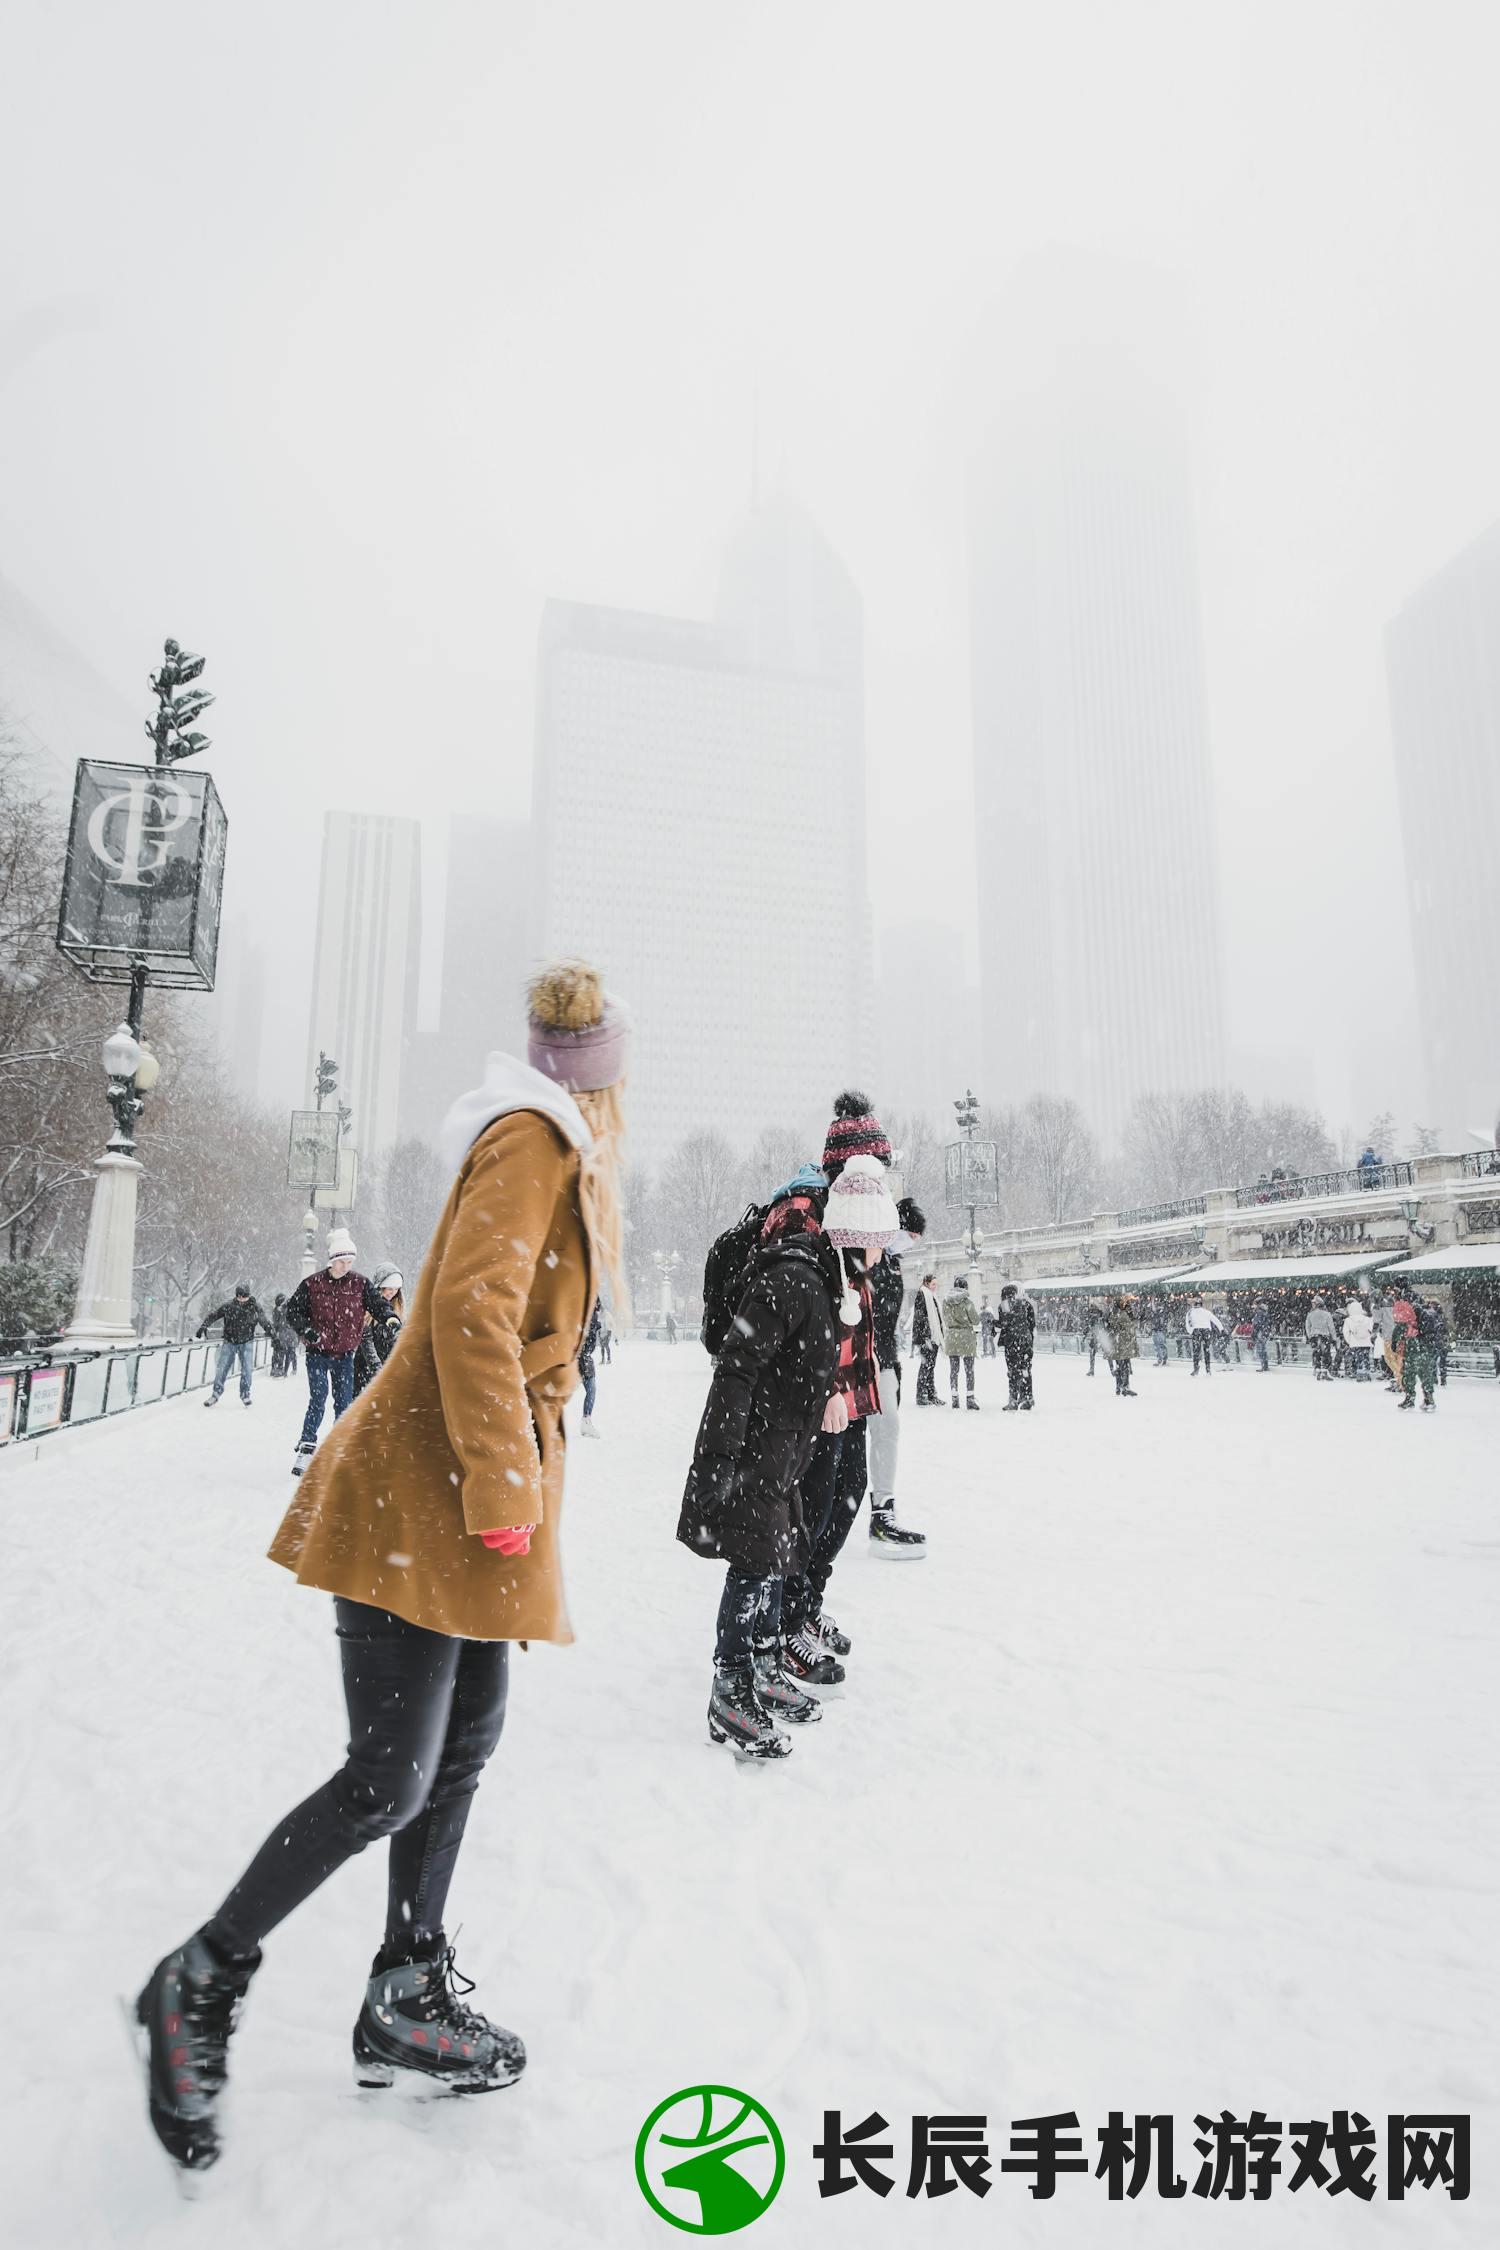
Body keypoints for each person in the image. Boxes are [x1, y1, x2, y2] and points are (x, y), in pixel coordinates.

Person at [131, 960, 630, 2175]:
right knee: (388, 1779)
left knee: (460, 1750)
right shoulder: (535, 1138)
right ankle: (196, 1981)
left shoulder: (554, 1142)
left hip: (457, 1499)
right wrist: (510, 1480)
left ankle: (406, 1988)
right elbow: (468, 1309)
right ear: (600, 1077)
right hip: (428, 1490)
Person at [677, 1180, 842, 1758]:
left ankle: (765, 1665)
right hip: (757, 1447)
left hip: (783, 1448)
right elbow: (737, 1368)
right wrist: (721, 1456)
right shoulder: (790, 1277)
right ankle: (730, 1687)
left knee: (776, 1557)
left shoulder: (815, 1278)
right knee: (754, 1564)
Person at [780, 1094, 901, 1684]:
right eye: (872, 1162)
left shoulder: (863, 1209)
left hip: (852, 1382)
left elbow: (865, 1294)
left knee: (848, 1493)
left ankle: (809, 1602)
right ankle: (787, 1620)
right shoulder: (806, 1212)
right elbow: (797, 1307)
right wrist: (825, 1383)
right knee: (812, 1505)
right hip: (815, 1389)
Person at [284, 1232, 392, 1473]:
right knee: (318, 1399)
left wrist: (390, 1318)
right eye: (342, 1261)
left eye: (350, 1261)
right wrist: (307, 1330)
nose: (346, 1266)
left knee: (343, 1404)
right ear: (332, 1260)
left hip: (345, 1356)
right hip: (318, 1355)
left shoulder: (360, 1284)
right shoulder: (312, 1284)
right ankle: (306, 1447)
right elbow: (292, 1311)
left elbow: (378, 1305)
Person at [866, 1194, 928, 1554]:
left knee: (888, 1428)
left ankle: (883, 1508)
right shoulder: (871, 1259)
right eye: (910, 1234)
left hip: (883, 1357)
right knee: (879, 1429)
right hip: (866, 1358)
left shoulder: (891, 1261)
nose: (912, 1242)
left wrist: (892, 1363)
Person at [197, 1283, 274, 1407]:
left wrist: (272, 1333)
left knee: (247, 1370)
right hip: (229, 1342)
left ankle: (245, 1394)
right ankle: (215, 1394)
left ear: (248, 1296)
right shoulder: (229, 1306)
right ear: (236, 1296)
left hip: (246, 1342)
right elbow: (214, 1315)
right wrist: (204, 1325)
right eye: (239, 1297)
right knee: (222, 1369)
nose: (242, 1300)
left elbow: (264, 1321)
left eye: (244, 1297)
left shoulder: (255, 1307)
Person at [353, 1266, 405, 1397]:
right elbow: (366, 1341)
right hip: (365, 1367)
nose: (392, 1293)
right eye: (389, 1289)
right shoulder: (369, 1308)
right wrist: (376, 1367)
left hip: (387, 1369)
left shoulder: (397, 1311)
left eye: (395, 1289)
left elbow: (399, 1341)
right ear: (380, 1287)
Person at [1399, 1297, 1446, 1411]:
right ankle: (1428, 1399)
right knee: (1425, 1375)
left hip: (1414, 1349)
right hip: (1424, 1350)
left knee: (1410, 1375)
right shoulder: (1432, 1317)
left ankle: (1410, 1399)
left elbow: (1401, 1331)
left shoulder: (1416, 1318)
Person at [942, 1273, 981, 1409]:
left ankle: (954, 1398)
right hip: (966, 1337)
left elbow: (945, 1319)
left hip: (952, 1337)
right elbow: (976, 1320)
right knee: (969, 1370)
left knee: (954, 1370)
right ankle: (970, 1399)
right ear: (965, 1287)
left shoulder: (945, 1302)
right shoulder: (967, 1302)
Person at [996, 1281, 1036, 1410]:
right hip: (1026, 1341)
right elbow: (1032, 1324)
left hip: (1012, 1342)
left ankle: (1013, 1399)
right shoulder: (1026, 1304)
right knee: (1025, 1370)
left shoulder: (1004, 1305)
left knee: (1013, 1371)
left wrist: (993, 1323)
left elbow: (1004, 1323)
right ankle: (1027, 1398)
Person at [912, 1271, 942, 1405]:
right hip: (926, 1338)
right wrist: (925, 1337)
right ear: (926, 1283)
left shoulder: (932, 1296)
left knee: (930, 1366)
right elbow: (920, 1318)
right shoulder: (922, 1294)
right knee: (926, 1365)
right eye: (933, 1284)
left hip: (933, 1337)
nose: (935, 1286)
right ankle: (921, 1395)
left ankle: (931, 1394)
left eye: (936, 1284)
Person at [578, 1296, 604, 1437]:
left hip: (581, 1355)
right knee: (591, 1389)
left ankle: (586, 1421)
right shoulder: (588, 1315)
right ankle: (586, 1421)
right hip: (582, 1356)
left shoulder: (588, 1314)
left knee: (591, 1389)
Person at [1106, 1297, 1139, 1395]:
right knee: (1125, 1365)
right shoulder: (1122, 1314)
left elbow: (1110, 1326)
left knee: (1119, 1365)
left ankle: (1119, 1387)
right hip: (1123, 1344)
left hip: (1116, 1344)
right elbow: (1129, 1327)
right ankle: (1125, 1387)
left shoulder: (1112, 1313)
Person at [1184, 1294, 1222, 1376]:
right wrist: (1221, 1329)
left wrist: (1191, 1331)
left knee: (1196, 1351)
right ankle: (1208, 1369)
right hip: (1206, 1331)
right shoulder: (1206, 1312)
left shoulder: (1190, 1312)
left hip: (1196, 1331)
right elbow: (1215, 1320)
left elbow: (1188, 1324)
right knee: (1206, 1350)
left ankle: (1196, 1368)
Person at [1304, 1294, 1337, 1380]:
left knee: (1316, 1354)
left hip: (1314, 1336)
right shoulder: (1327, 1314)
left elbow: (1307, 1326)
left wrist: (1309, 1336)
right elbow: (1331, 1327)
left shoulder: (1310, 1314)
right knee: (1326, 1355)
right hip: (1324, 1336)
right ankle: (1325, 1372)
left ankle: (1317, 1371)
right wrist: (1334, 1338)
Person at [1342, 1296, 1375, 1381]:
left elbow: (1345, 1332)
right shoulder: (1367, 1319)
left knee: (1358, 1358)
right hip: (1366, 1342)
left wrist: (1350, 1341)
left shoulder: (1348, 1320)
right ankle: (1366, 1373)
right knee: (1366, 1357)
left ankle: (1360, 1373)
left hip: (1355, 1342)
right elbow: (1372, 1330)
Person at [269, 1292, 300, 1380]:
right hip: (283, 1335)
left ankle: (282, 1370)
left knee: (286, 1353)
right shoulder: (279, 1310)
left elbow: (277, 1323)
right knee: (285, 1353)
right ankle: (280, 1369)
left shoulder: (284, 1310)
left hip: (285, 1335)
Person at [1250, 1297, 1273, 1373]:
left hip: (1260, 1333)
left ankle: (1264, 1366)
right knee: (1263, 1350)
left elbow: (1257, 1324)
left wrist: (1254, 1333)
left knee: (1261, 1350)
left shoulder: (1259, 1312)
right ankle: (1265, 1365)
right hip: (1264, 1332)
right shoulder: (1264, 1311)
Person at [1151, 1303, 1169, 1367]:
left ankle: (1163, 1359)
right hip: (1157, 1330)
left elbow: (1163, 1322)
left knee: (1161, 1345)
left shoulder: (1161, 1314)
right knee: (1158, 1345)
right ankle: (1161, 1359)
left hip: (1159, 1330)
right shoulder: (1156, 1313)